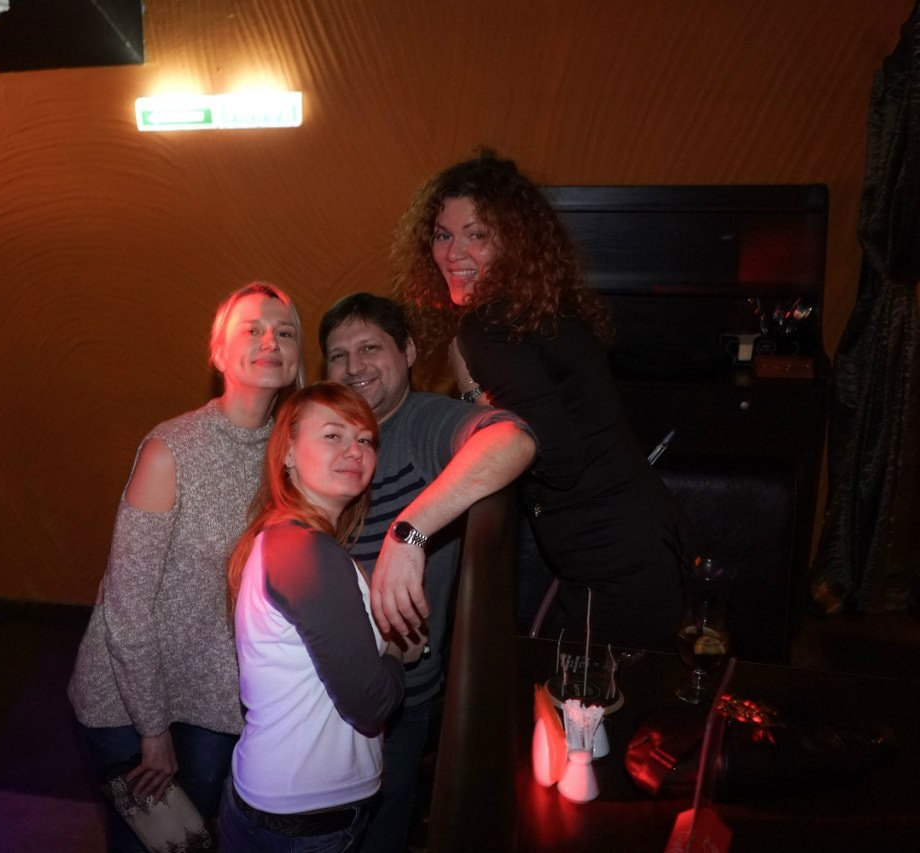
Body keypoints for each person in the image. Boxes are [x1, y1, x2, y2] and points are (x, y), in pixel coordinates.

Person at [394, 147, 697, 651]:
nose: (453, 254)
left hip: (615, 566)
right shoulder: (540, 305)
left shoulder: (488, 325)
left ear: (513, 241)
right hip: (649, 542)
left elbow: (557, 457)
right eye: (443, 235)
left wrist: (471, 390)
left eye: (476, 235)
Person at [68, 282, 304, 853]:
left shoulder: (293, 455)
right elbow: (126, 609)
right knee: (154, 845)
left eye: (285, 332)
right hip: (129, 701)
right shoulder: (170, 450)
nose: (270, 340)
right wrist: (152, 730)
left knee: (196, 844)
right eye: (251, 329)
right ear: (218, 353)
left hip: (219, 702)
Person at [319, 293, 536, 853]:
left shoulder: (418, 421)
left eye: (371, 348)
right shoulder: (326, 430)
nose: (354, 366)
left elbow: (512, 439)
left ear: (409, 351)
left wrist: (408, 532)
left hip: (396, 702)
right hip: (320, 699)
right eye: (339, 355)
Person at [220, 382, 426, 853]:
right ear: (288, 454)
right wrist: (398, 647)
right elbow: (372, 703)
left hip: (284, 807)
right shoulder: (305, 551)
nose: (354, 450)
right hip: (300, 822)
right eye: (333, 435)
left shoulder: (288, 538)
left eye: (365, 439)